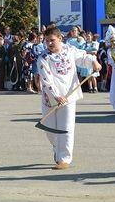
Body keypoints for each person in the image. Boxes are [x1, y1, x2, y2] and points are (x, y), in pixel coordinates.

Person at [37, 24, 101, 170]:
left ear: (60, 38)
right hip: (51, 99)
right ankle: (56, 148)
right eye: (47, 41)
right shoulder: (43, 58)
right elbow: (46, 81)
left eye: (52, 40)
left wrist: (94, 62)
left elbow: (84, 57)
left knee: (66, 128)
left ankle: (64, 159)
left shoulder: (70, 50)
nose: (49, 43)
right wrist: (56, 96)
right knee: (50, 130)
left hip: (69, 96)